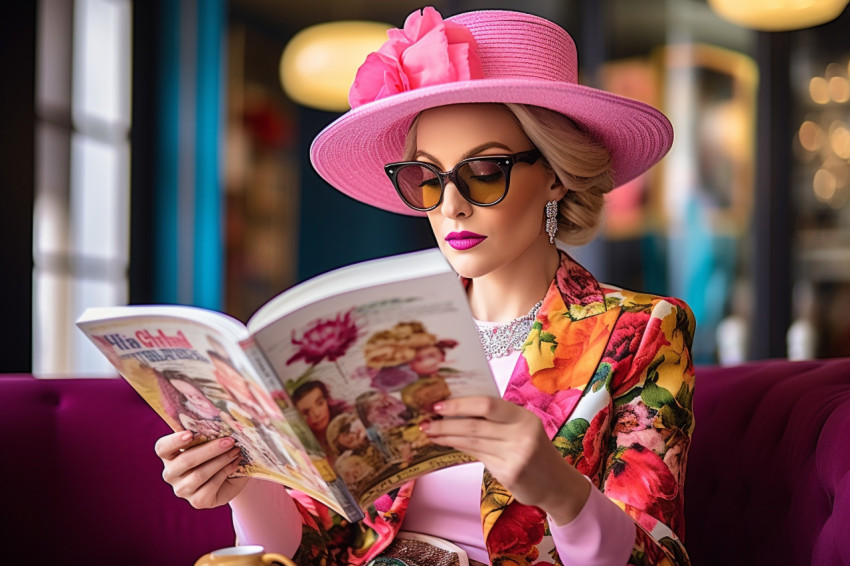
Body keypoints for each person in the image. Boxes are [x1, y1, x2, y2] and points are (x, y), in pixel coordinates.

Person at [155, 7, 696, 566]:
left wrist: (562, 492)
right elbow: (323, 544)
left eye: (485, 171)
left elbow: (658, 558)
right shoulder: (382, 333)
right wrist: (245, 479)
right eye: (426, 178)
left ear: (556, 173)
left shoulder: (642, 330)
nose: (451, 205)